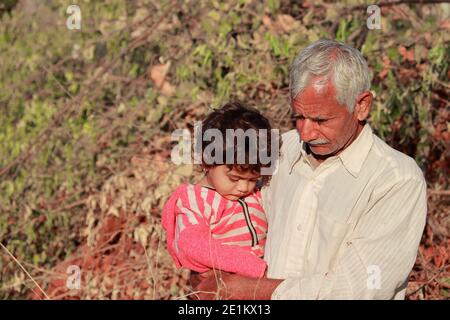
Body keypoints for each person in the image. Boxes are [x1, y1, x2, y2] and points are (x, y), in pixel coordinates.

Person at [192, 39, 427, 300]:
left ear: (361, 105)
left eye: (320, 120)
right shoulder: (281, 149)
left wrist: (249, 290)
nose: (306, 132)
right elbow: (228, 210)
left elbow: (360, 288)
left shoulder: (396, 180)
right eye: (299, 117)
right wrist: (205, 267)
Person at [162, 102, 277, 280]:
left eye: (253, 179)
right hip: (228, 286)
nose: (244, 187)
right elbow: (191, 245)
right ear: (207, 161)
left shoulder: (255, 194)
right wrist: (252, 267)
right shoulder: (194, 200)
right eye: (234, 178)